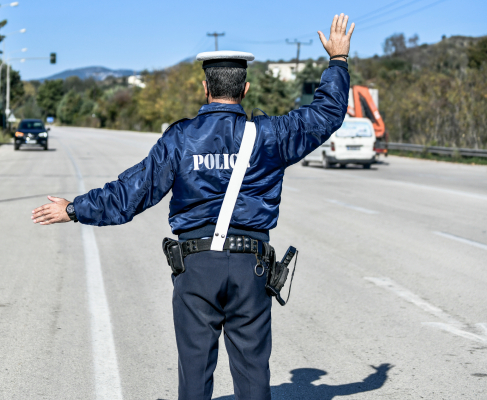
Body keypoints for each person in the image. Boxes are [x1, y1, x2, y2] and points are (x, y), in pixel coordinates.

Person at [32, 14, 355, 400]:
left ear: (205, 87)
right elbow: (325, 115)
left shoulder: (181, 138)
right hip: (251, 267)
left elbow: (132, 191)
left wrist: (74, 209)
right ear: (245, 88)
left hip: (196, 267)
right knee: (253, 378)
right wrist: (337, 61)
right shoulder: (270, 136)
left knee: (195, 376)